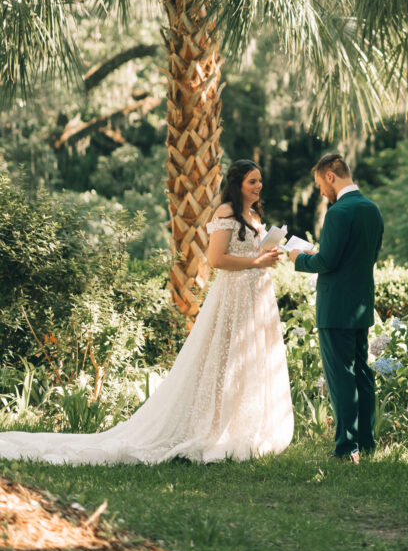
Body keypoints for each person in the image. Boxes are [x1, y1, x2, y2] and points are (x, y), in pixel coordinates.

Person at [0, 160, 293, 465]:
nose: (259, 187)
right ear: (237, 185)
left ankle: (242, 426)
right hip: (234, 296)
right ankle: (211, 427)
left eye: (259, 181)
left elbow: (246, 252)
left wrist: (266, 256)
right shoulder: (226, 214)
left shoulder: (254, 214)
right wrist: (256, 263)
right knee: (223, 358)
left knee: (247, 359)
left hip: (257, 295)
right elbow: (216, 259)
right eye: (252, 182)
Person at [289, 152, 383, 463]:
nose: (320, 192)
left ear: (331, 176)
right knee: (361, 374)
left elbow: (327, 262)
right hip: (360, 305)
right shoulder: (372, 210)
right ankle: (366, 443)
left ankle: (346, 448)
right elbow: (359, 258)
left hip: (335, 308)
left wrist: (298, 258)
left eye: (319, 184)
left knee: (341, 378)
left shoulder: (339, 212)